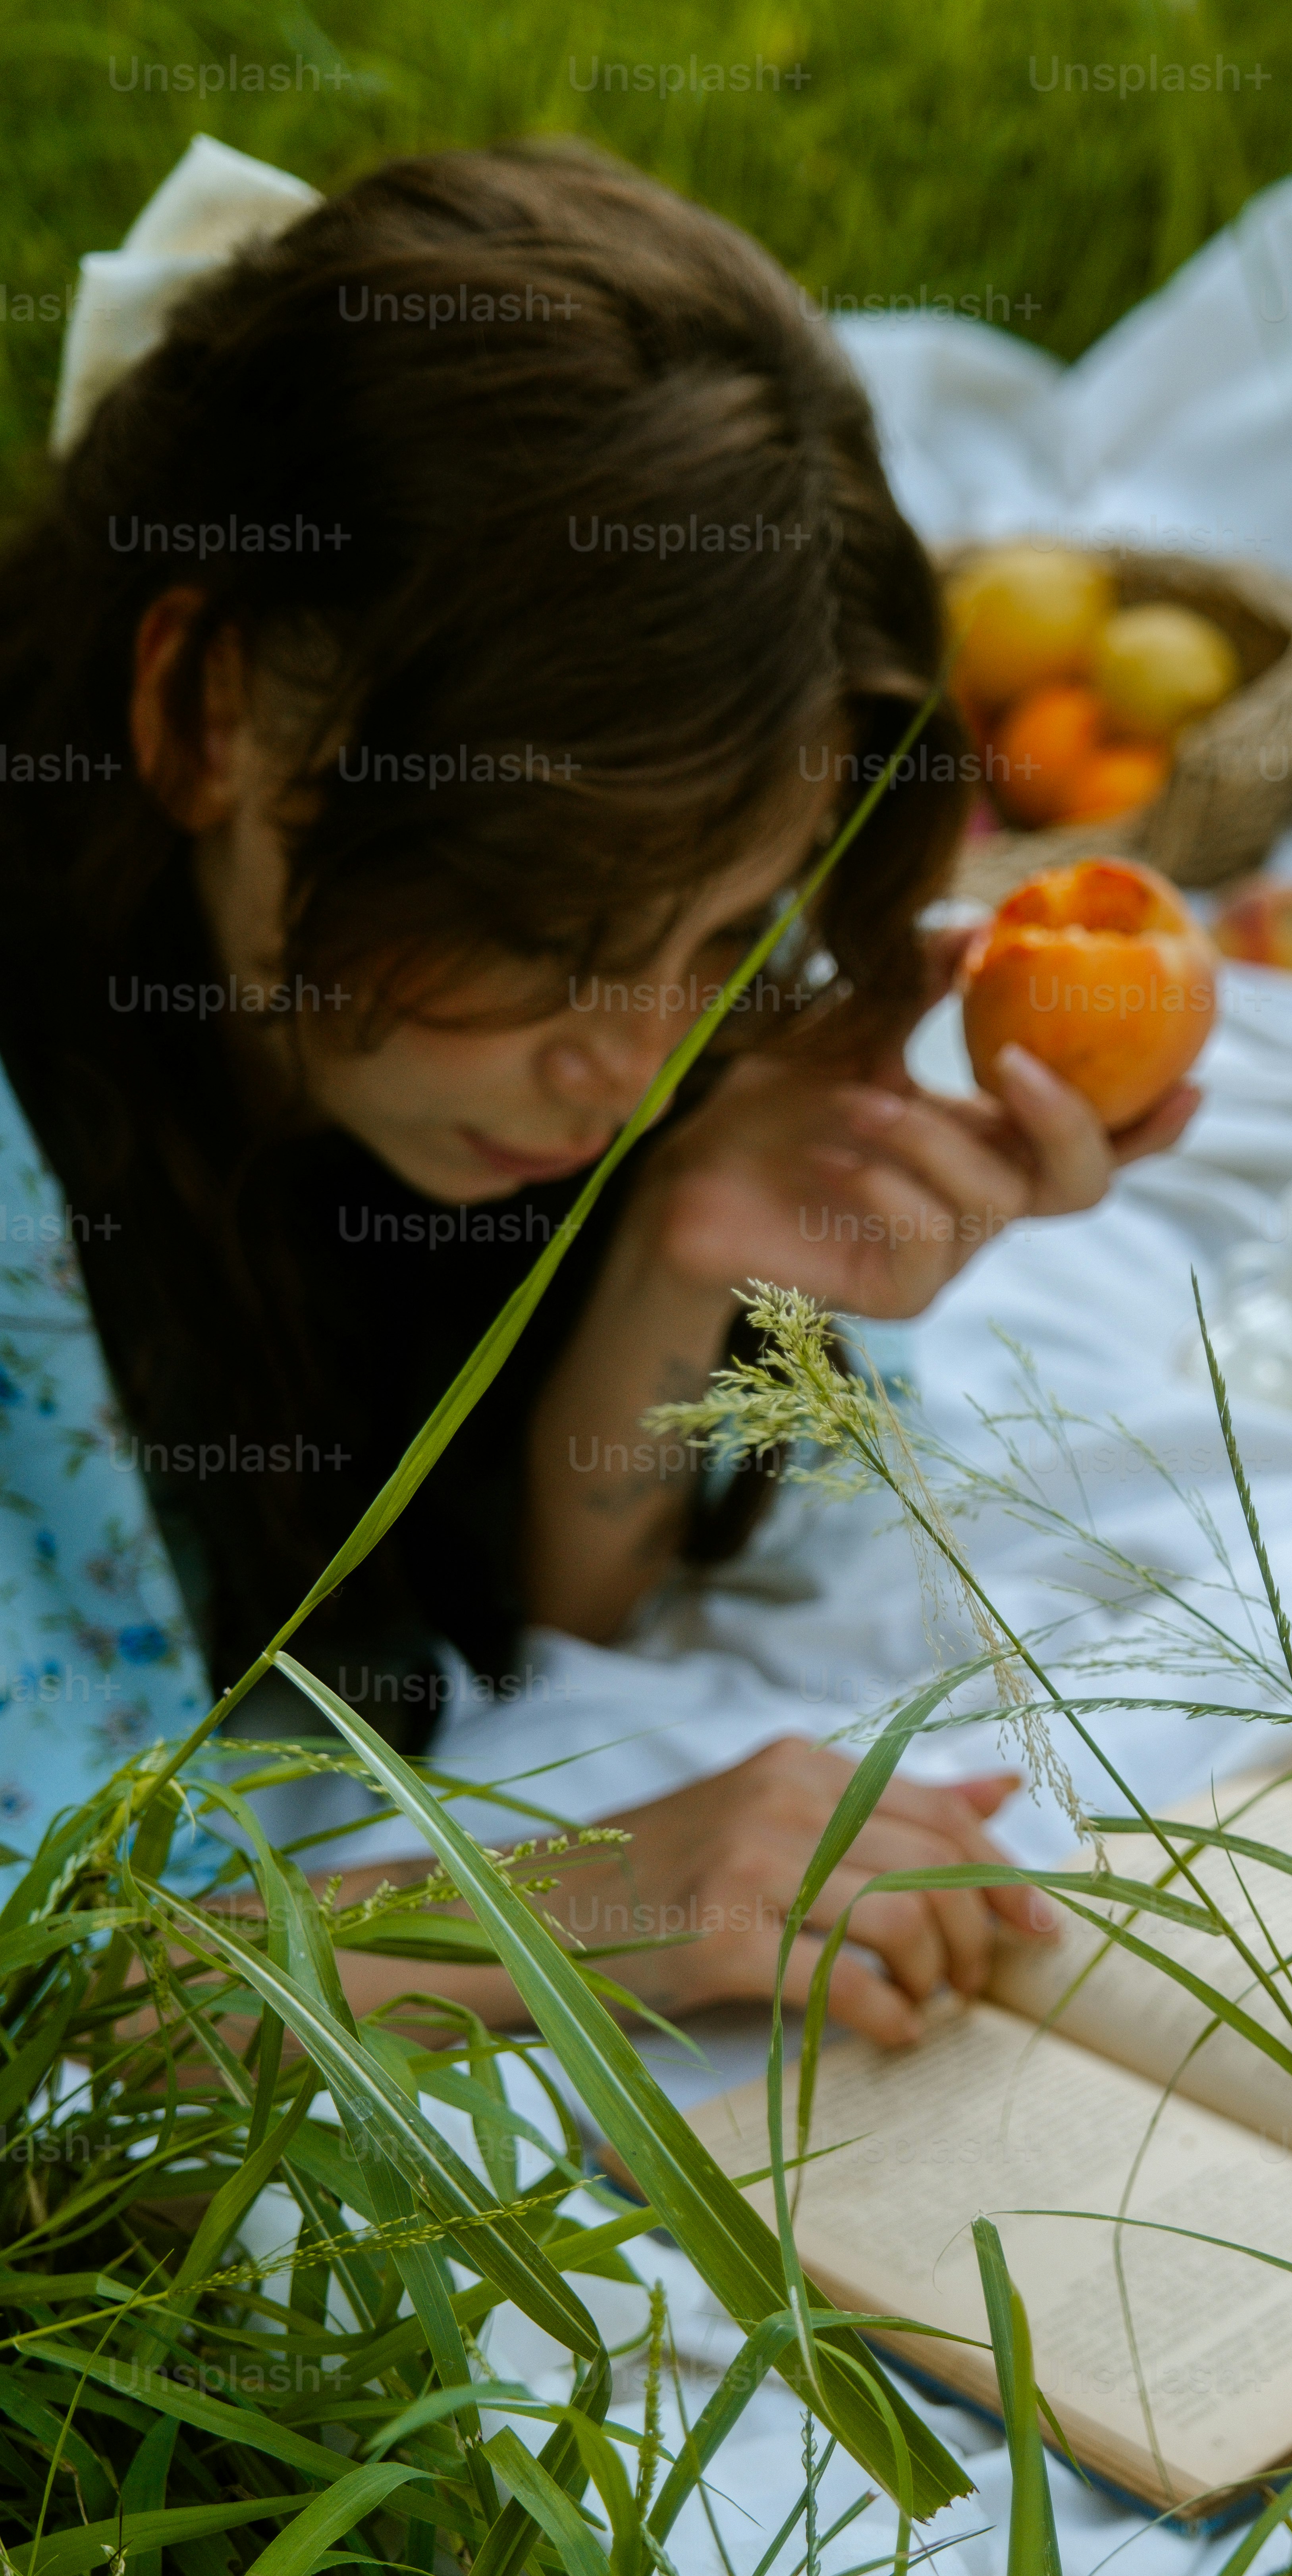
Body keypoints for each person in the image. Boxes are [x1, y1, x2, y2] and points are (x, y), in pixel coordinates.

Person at [0, 137, 1198, 2043]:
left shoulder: (550, 1037)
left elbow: (525, 1599)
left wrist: (677, 1260)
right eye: (536, 934)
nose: (628, 1064)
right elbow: (33, 1992)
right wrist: (581, 1902)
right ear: (203, 711)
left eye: (728, 935)